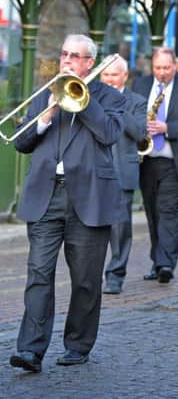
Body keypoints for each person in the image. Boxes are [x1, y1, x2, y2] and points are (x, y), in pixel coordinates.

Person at [9, 34, 125, 372]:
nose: (68, 61)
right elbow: (21, 142)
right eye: (64, 54)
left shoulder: (108, 96)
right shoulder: (46, 92)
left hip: (88, 198)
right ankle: (31, 349)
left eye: (75, 56)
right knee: (39, 273)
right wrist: (46, 115)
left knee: (86, 279)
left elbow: (109, 135)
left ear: (90, 62)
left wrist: (81, 100)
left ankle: (77, 344)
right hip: (46, 196)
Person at [132, 47, 178, 283]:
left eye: (166, 68)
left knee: (169, 211)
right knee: (152, 212)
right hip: (147, 159)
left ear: (174, 66)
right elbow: (130, 114)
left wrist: (167, 127)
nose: (161, 73)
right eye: (157, 68)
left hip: (175, 160)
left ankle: (166, 263)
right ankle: (157, 260)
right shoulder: (141, 85)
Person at [100, 55, 147, 294]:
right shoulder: (90, 97)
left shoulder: (136, 101)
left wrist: (117, 103)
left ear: (124, 77)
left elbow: (139, 132)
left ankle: (116, 275)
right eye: (105, 75)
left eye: (114, 75)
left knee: (120, 228)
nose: (109, 79)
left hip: (122, 171)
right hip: (94, 170)